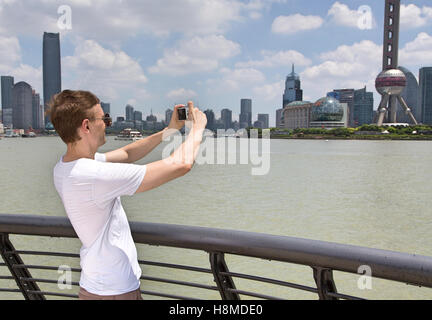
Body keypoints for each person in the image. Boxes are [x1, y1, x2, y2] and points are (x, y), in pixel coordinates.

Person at [48, 90, 207, 300]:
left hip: (95, 286)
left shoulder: (66, 167)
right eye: (104, 118)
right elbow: (181, 164)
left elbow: (127, 154)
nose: (107, 123)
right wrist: (198, 127)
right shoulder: (92, 175)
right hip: (115, 292)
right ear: (86, 126)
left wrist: (168, 131)